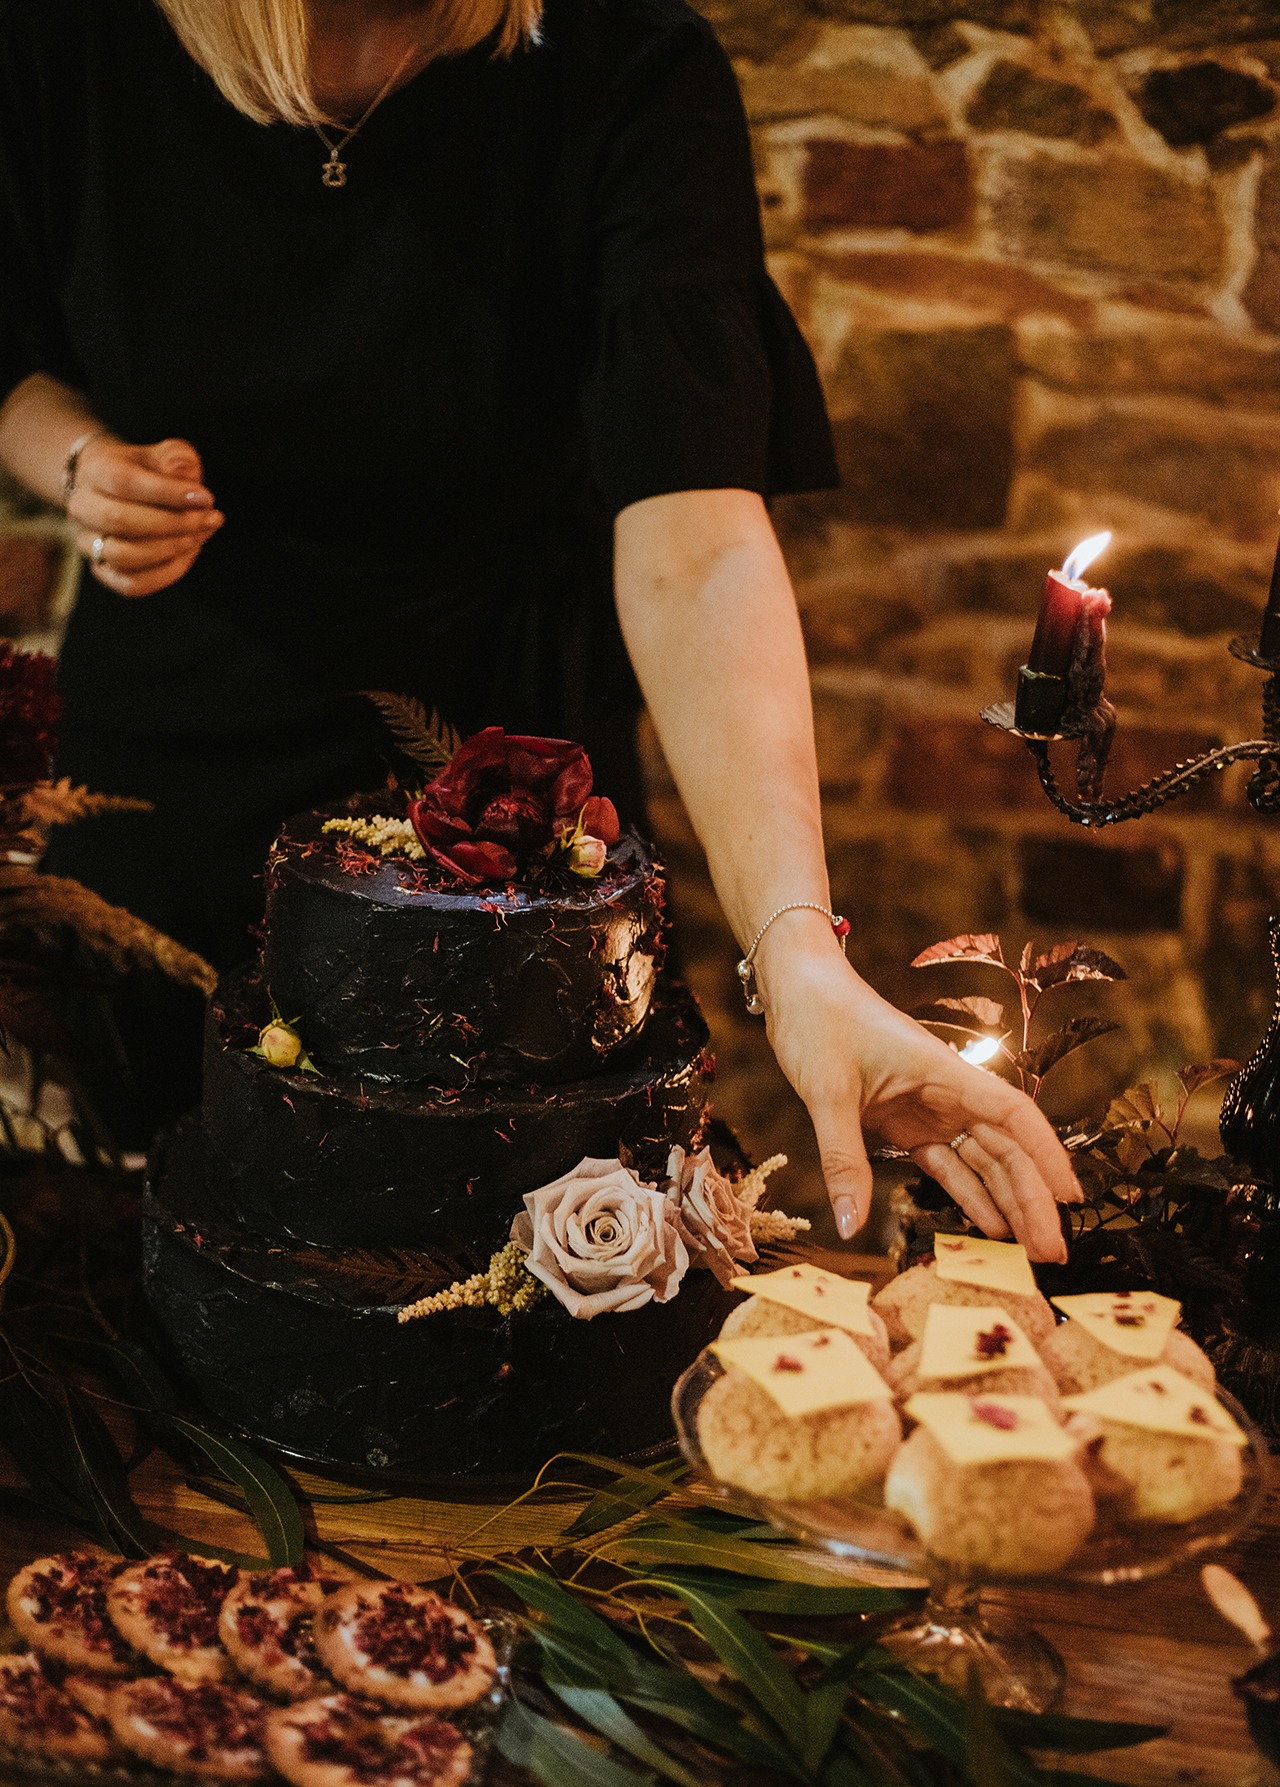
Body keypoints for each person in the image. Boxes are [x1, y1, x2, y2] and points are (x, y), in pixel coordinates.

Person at [0, 0, 1080, 1258]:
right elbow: (14, 345)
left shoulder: (624, 59)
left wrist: (795, 953)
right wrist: (78, 462)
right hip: (171, 748)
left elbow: (696, 535)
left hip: (504, 762)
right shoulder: (62, 38)